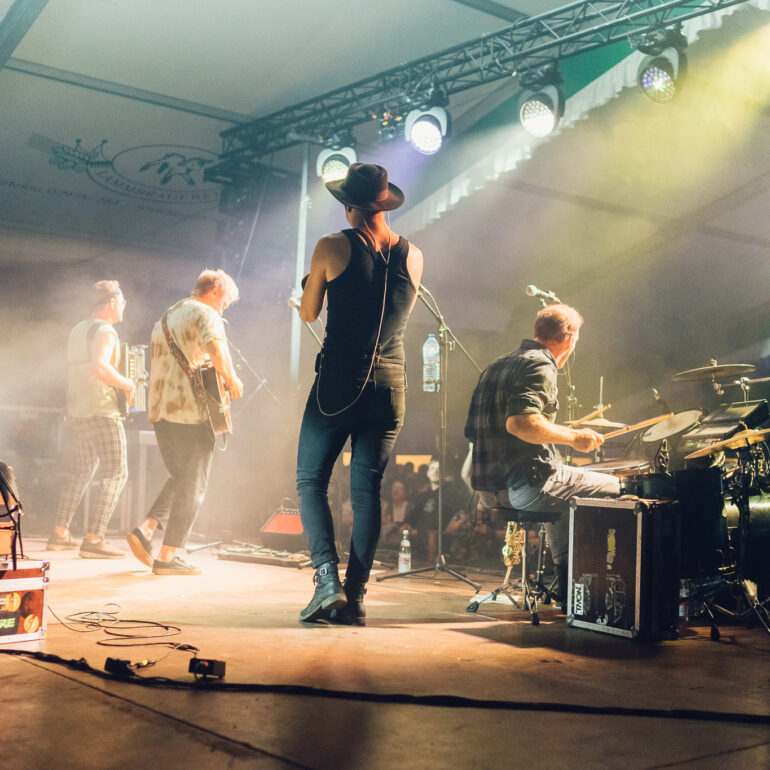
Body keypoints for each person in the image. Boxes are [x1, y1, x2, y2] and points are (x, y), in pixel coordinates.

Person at [296, 162, 423, 625]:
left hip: (339, 383)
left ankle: (327, 583)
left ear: (350, 207)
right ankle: (357, 597)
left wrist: (311, 286)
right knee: (367, 492)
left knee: (311, 480)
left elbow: (310, 313)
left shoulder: (332, 245)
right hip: (391, 386)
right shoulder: (414, 255)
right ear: (384, 203)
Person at [464, 303, 619, 603]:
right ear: (569, 337)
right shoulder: (540, 364)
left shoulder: (494, 366)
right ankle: (591, 589)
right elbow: (520, 423)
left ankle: (564, 586)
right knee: (618, 487)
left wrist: (550, 431)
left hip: (487, 492)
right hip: (522, 488)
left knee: (561, 491)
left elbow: (472, 432)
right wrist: (574, 437)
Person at [125, 269, 243, 575]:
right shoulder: (205, 313)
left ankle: (146, 529)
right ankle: (167, 556)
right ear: (215, 291)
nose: (223, 309)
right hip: (191, 411)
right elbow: (216, 349)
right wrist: (232, 380)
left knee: (182, 477)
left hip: (160, 411)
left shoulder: (166, 316)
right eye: (225, 303)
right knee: (195, 484)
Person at [48, 281, 134, 558]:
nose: (124, 306)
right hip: (102, 411)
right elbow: (99, 367)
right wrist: (128, 385)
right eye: (122, 302)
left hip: (77, 410)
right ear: (111, 303)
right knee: (116, 473)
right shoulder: (106, 330)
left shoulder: (79, 328)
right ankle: (95, 539)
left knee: (81, 471)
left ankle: (60, 533)